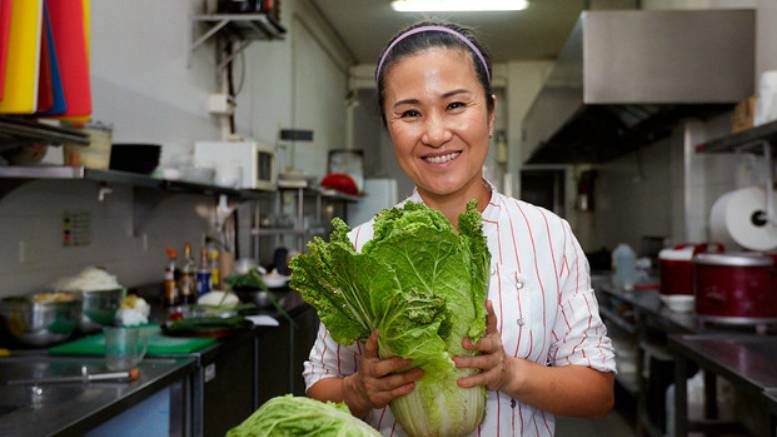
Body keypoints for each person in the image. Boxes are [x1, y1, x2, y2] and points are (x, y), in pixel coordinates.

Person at [303, 21, 616, 436]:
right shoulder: (360, 247)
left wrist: (510, 374)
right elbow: (318, 389)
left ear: (490, 113)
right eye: (410, 113)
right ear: (389, 126)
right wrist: (358, 390)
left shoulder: (549, 235)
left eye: (455, 106)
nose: (435, 134)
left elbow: (598, 392)